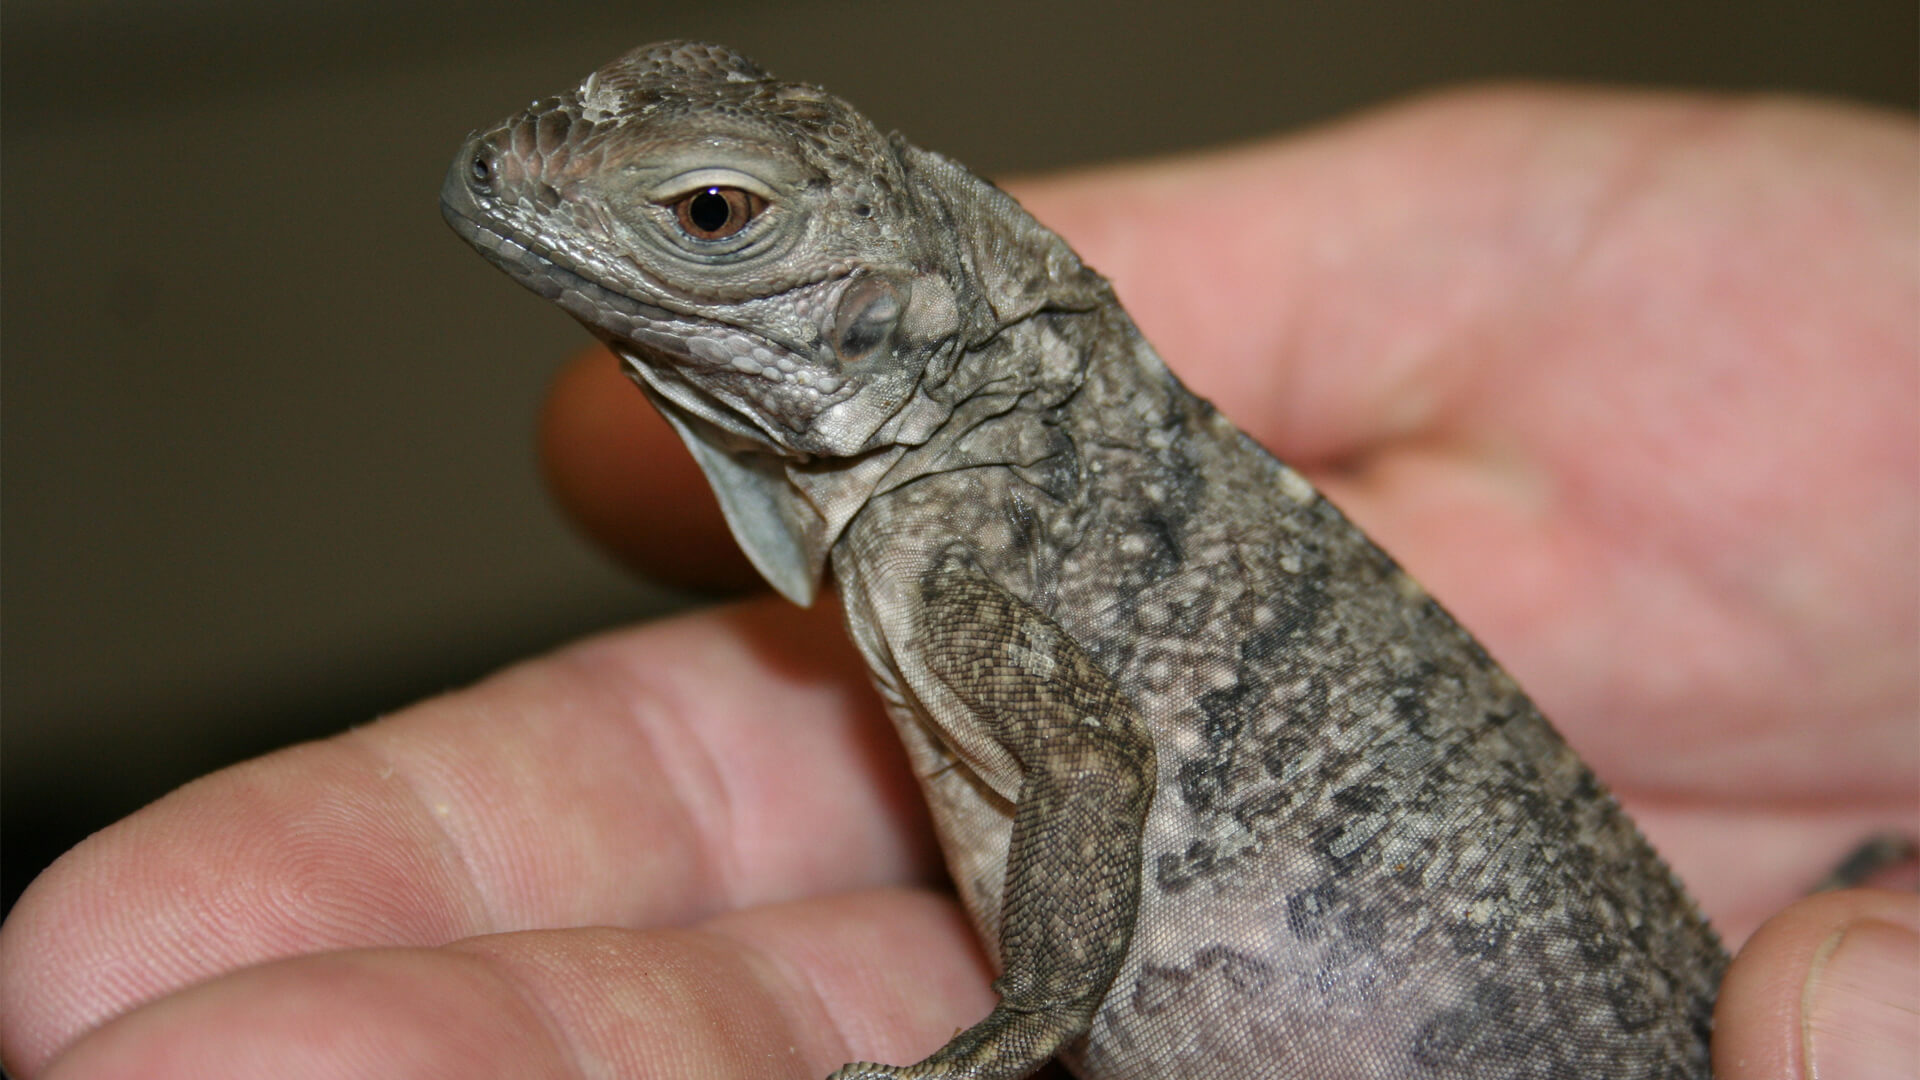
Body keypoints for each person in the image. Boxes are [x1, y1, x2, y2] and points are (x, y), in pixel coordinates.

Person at [1, 86, 1912, 1080]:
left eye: (711, 219)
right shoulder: (968, 500)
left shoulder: (965, 523)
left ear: (878, 308)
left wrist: (1015, 1036)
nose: (536, 185)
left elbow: (1086, 773)